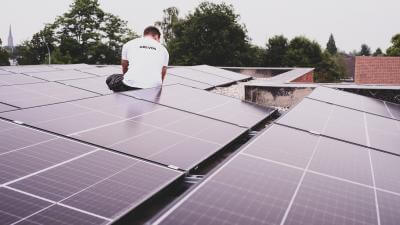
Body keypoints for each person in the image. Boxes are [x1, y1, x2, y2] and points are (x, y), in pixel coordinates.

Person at [106, 26, 169, 92]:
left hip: (129, 86)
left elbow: (124, 66)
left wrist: (129, 79)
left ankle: (121, 96)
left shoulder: (128, 44)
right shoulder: (164, 50)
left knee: (111, 78)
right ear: (156, 36)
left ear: (145, 34)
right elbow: (163, 71)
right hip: (154, 87)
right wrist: (158, 87)